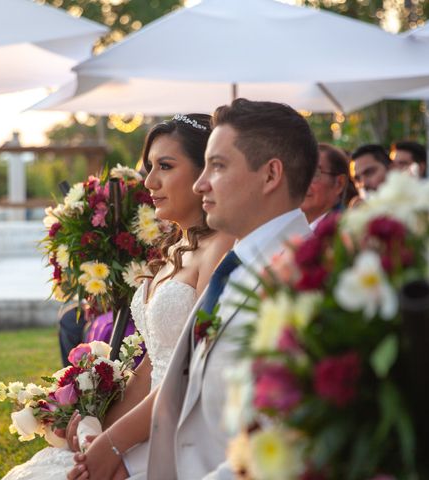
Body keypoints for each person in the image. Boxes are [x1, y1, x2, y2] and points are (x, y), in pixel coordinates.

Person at [69, 99, 317, 479]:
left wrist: (118, 447)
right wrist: (103, 434)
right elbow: (179, 377)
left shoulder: (302, 279)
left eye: (217, 166)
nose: (203, 183)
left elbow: (281, 439)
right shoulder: (241, 264)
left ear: (270, 176)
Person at [2, 114, 233, 480]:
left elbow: (187, 374)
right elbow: (149, 367)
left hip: (180, 432)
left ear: (205, 174)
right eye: (148, 168)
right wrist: (99, 426)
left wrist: (114, 445)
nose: (150, 181)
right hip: (142, 421)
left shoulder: (221, 247)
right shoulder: (178, 246)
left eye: (166, 167)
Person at [301, 143, 349, 229]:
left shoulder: (345, 230)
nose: (303, 181)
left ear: (339, 184)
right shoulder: (297, 232)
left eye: (314, 173)